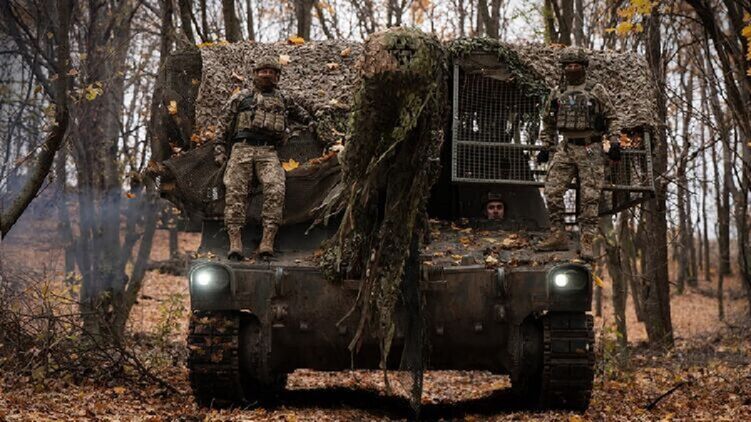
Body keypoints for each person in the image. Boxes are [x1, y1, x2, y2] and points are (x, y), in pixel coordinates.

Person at [214, 56, 313, 260]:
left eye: (271, 72)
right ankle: (235, 242)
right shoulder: (241, 98)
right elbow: (223, 122)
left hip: (268, 151)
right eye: (262, 71)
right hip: (241, 149)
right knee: (234, 190)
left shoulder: (283, 99)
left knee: (276, 187)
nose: (266, 75)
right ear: (255, 74)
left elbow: (301, 113)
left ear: (277, 76)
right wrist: (219, 148)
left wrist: (313, 122)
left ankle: (267, 241)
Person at [535, 47, 621, 260]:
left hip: (591, 149)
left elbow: (612, 117)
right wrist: (546, 145)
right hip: (566, 148)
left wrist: (614, 142)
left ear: (584, 67)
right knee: (552, 190)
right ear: (563, 68)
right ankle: (558, 234)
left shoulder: (596, 90)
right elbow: (548, 120)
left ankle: (587, 241)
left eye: (576, 65)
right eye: (568, 65)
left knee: (590, 198)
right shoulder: (557, 92)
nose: (572, 69)